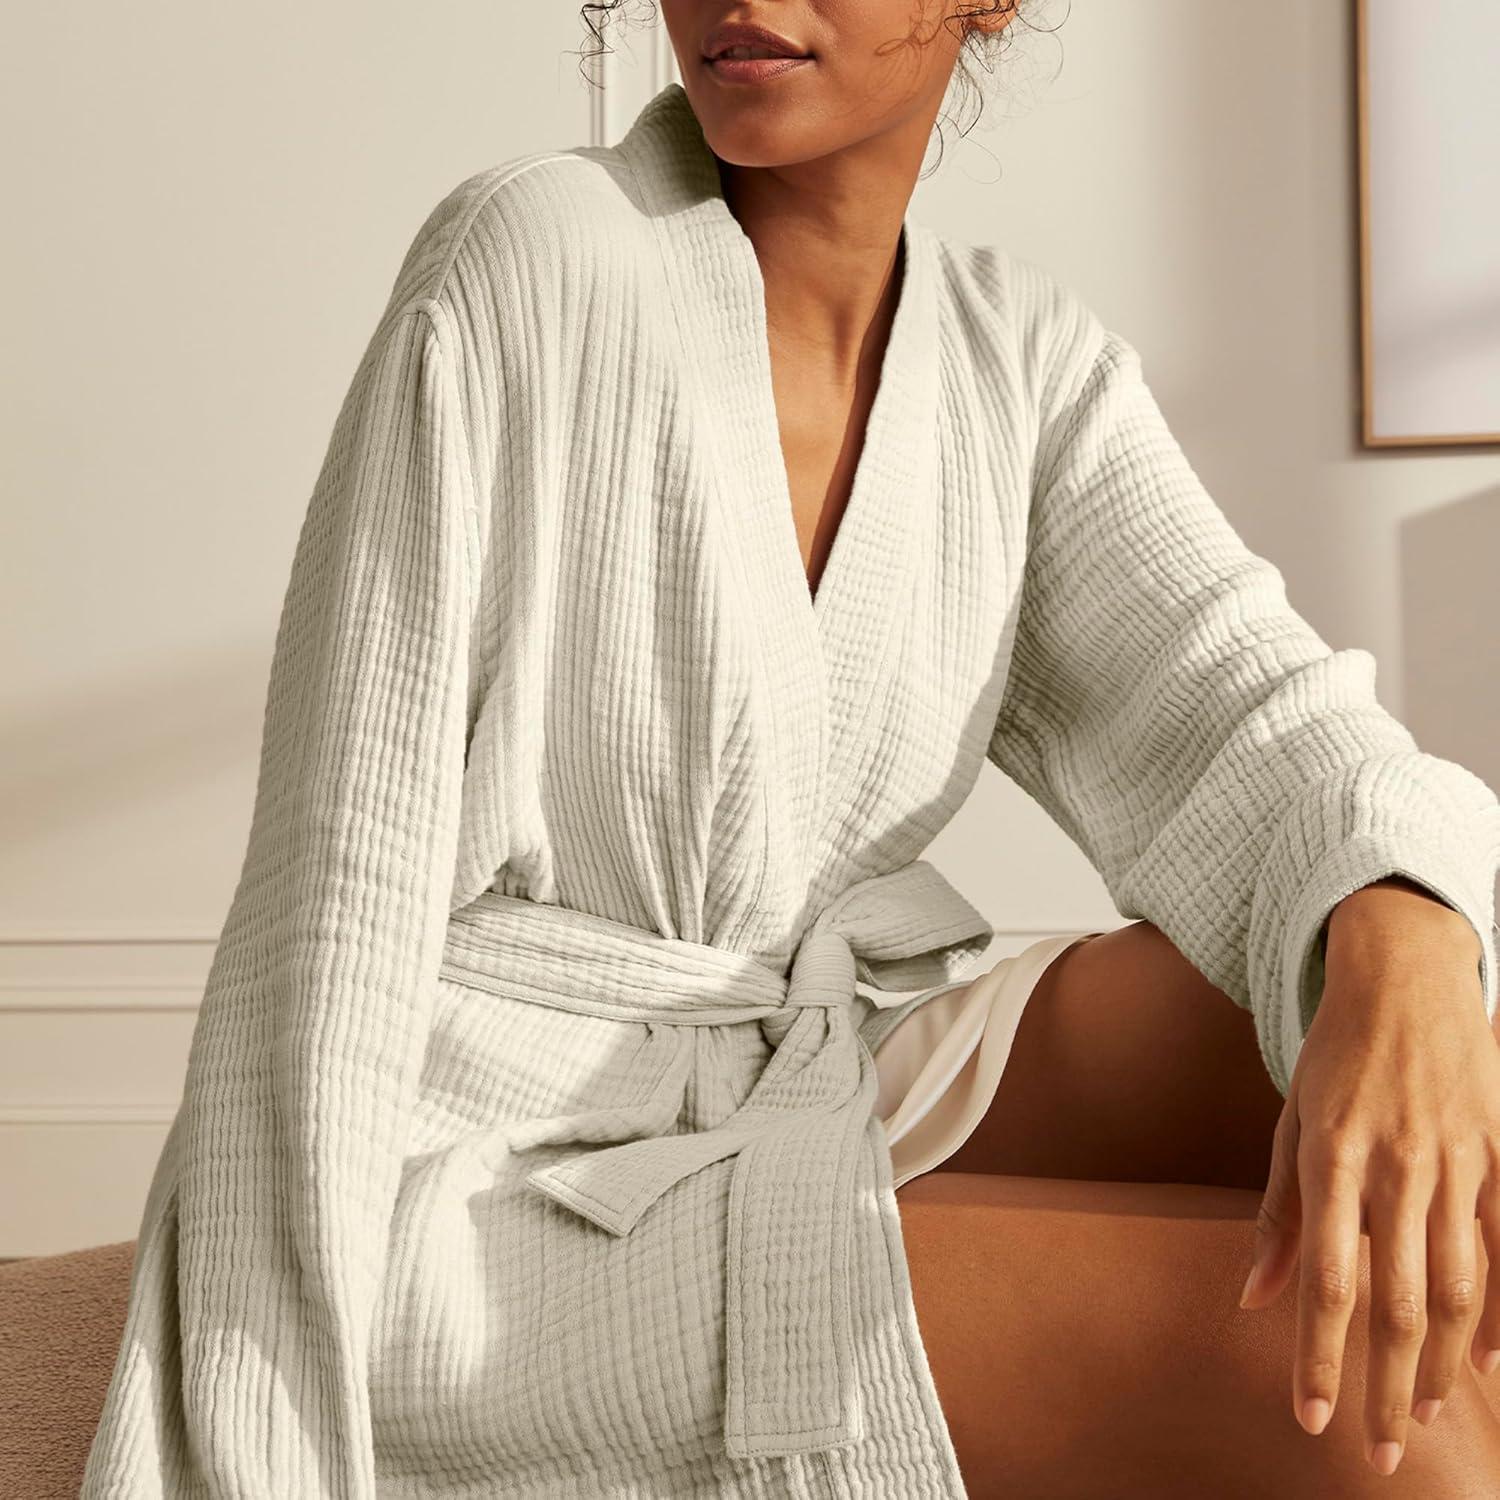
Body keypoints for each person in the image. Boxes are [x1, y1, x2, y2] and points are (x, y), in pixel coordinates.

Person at [82, 3, 1500, 1495]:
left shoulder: (1018, 363)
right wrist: (255, 1404)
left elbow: (1255, 721)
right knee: (1388, 1405)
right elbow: (331, 908)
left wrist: (1406, 934)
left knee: (1423, 1086)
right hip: (492, 1175)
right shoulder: (536, 257)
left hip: (814, 1069)